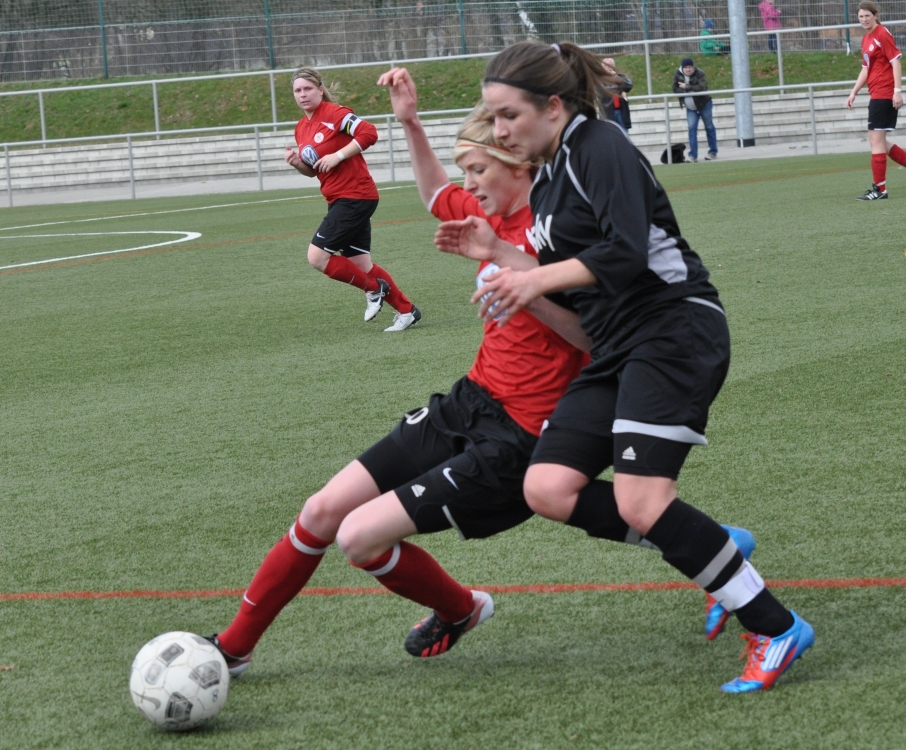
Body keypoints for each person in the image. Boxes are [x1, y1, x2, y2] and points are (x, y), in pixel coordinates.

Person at [204, 68, 686, 674]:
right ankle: (234, 648)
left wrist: (526, 287)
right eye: (465, 173)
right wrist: (409, 121)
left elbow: (596, 340)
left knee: (360, 537)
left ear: (518, 166)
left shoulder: (559, 232)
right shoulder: (489, 210)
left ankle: (696, 541)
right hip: (470, 400)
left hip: (522, 433)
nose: (466, 186)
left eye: (476, 171)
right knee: (323, 510)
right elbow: (435, 193)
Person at [459, 40, 813, 693]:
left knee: (641, 500)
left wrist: (532, 280)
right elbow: (571, 289)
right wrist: (503, 259)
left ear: (553, 106)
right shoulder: (550, 177)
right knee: (548, 488)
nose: (500, 130)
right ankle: (710, 544)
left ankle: (775, 626)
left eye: (509, 115)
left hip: (672, 328)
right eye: (494, 116)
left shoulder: (601, 145)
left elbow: (623, 254)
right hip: (616, 347)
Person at [285, 67, 421, 331]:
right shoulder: (301, 128)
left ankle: (374, 289)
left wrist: (338, 156)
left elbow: (369, 132)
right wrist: (297, 164)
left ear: (320, 90)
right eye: (297, 90)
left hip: (355, 195)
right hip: (339, 198)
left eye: (308, 88)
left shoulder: (334, 114)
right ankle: (407, 311)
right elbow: (313, 171)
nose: (303, 94)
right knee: (361, 264)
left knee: (317, 257)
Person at [846, 1, 906, 200]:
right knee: (880, 142)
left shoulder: (882, 34)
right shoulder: (866, 38)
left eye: (867, 16)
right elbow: (866, 69)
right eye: (861, 17)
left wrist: (897, 91)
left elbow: (896, 62)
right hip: (876, 93)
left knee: (875, 141)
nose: (864, 19)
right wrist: (854, 92)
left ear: (875, 15)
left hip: (884, 94)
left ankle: (880, 190)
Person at [672, 58, 718, 162]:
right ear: (682, 68)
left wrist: (686, 87)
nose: (688, 69)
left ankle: (713, 152)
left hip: (704, 105)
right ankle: (693, 155)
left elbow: (702, 87)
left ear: (693, 67)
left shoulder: (700, 73)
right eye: (686, 67)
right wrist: (685, 90)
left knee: (709, 128)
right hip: (691, 108)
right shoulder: (677, 74)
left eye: (690, 67)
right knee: (692, 129)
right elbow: (675, 88)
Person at [600, 57, 633, 131]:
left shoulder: (620, 76)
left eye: (610, 65)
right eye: (606, 66)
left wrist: (615, 77)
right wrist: (620, 89)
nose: (608, 68)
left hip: (621, 111)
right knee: (610, 133)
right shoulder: (600, 79)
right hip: (608, 113)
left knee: (623, 133)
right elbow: (603, 91)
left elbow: (629, 85)